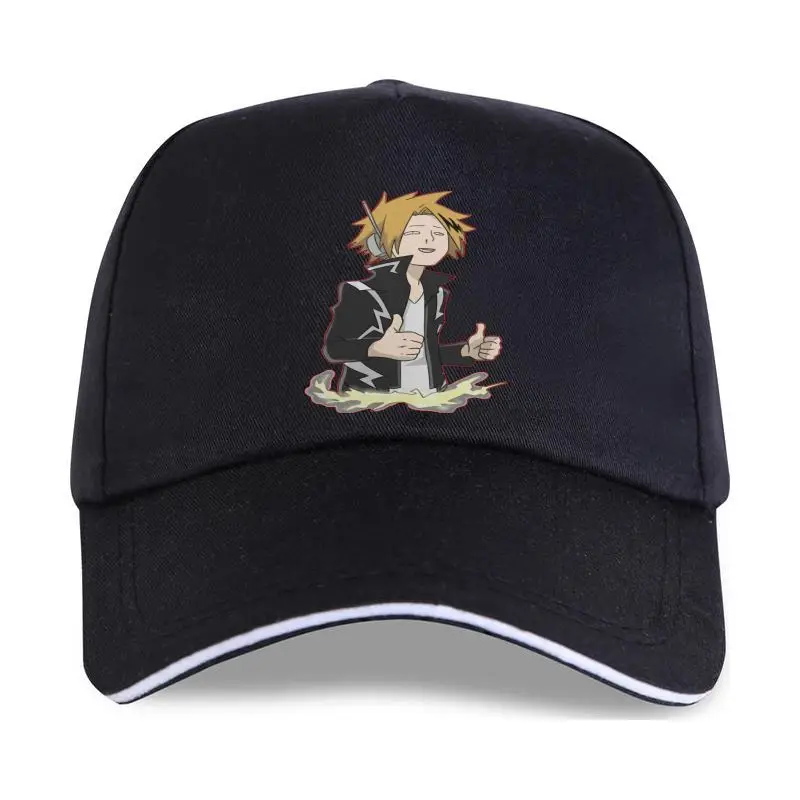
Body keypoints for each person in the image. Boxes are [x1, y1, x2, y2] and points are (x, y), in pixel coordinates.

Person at [322, 191, 502, 394]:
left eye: (438, 233)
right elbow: (334, 348)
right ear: (383, 243)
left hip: (428, 397)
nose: (428, 240)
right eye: (414, 232)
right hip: (375, 399)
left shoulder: (437, 293)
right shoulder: (362, 292)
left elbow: (426, 354)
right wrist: (375, 348)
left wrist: (466, 351)